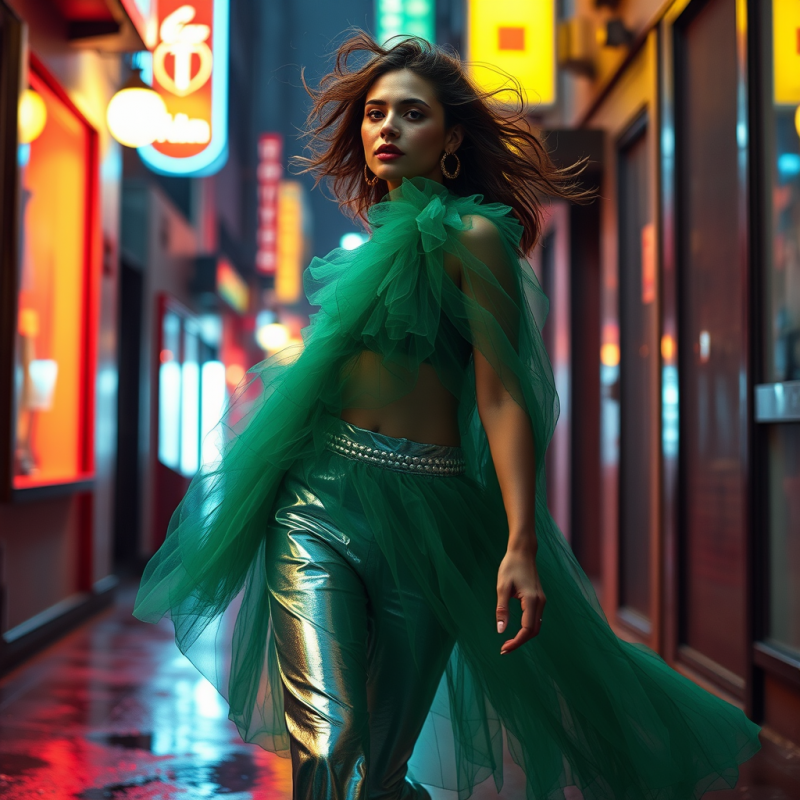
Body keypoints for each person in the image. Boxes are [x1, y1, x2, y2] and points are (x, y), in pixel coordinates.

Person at [134, 30, 762, 800]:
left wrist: (520, 540)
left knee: (379, 771)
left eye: (411, 113)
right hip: (315, 504)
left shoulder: (475, 237)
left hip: (433, 519)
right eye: (374, 113)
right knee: (330, 740)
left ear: (451, 136)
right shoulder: (371, 248)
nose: (387, 128)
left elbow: (502, 394)